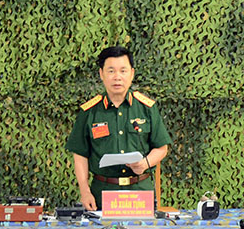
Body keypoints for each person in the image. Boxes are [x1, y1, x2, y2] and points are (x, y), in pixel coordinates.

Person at [65, 46, 171, 210]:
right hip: (103, 193)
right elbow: (80, 154)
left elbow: (161, 148)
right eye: (111, 71)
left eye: (123, 71)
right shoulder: (89, 111)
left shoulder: (147, 108)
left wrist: (145, 163)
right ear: (101, 74)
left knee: (143, 228)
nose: (117, 77)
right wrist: (85, 192)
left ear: (132, 73)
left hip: (140, 192)